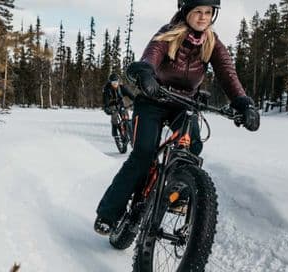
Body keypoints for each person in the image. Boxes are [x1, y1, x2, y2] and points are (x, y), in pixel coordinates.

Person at [94, 0, 260, 235]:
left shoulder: (212, 43)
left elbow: (228, 75)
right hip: (153, 102)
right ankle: (108, 213)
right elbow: (150, 56)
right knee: (143, 154)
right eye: (198, 12)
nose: (203, 17)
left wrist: (244, 104)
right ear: (186, 12)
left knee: (191, 147)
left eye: (208, 12)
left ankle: (177, 191)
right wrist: (145, 73)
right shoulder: (168, 34)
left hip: (184, 105)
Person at [102, 73, 136, 141]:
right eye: (113, 82)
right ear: (110, 82)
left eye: (116, 82)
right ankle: (115, 132)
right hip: (111, 105)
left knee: (126, 115)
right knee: (114, 116)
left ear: (118, 81)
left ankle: (129, 132)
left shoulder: (121, 87)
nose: (115, 84)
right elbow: (105, 102)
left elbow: (130, 94)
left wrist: (136, 100)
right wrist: (107, 109)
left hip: (120, 104)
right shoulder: (107, 90)